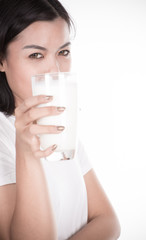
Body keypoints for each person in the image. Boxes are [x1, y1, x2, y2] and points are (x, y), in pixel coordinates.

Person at [0, 0, 120, 239]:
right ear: (1, 60)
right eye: (36, 55)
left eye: (63, 52)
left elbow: (109, 221)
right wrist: (26, 153)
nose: (55, 70)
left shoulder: (62, 125)